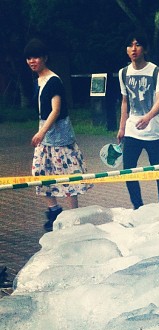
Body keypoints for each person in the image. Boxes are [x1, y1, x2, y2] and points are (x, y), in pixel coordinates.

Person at [24, 38, 92, 231]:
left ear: (45, 57)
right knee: (40, 172)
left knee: (69, 175)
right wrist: (41, 133)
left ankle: (74, 216)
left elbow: (56, 110)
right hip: (44, 136)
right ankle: (54, 210)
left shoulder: (54, 80)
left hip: (59, 136)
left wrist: (41, 132)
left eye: (35, 57)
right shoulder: (38, 80)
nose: (32, 61)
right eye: (29, 58)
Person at [117, 33, 159, 209]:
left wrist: (148, 117)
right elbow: (125, 101)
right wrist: (121, 128)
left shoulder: (156, 72)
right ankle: (138, 207)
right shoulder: (123, 73)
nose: (134, 49)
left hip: (154, 131)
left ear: (144, 48)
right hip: (132, 130)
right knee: (128, 169)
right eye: (130, 45)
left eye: (138, 45)